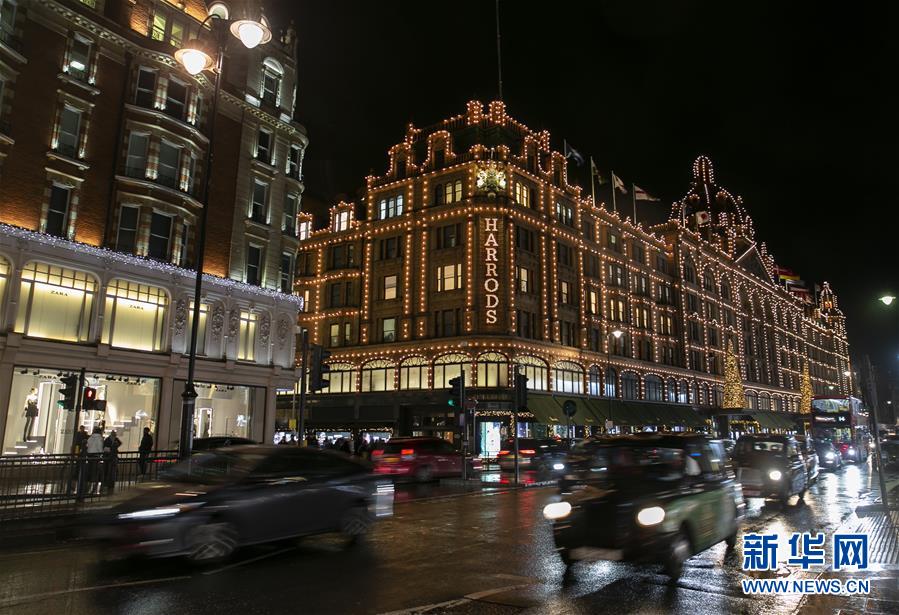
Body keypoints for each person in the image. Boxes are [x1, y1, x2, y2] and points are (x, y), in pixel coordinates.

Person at [85, 427, 105, 495]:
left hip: (89, 456)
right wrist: (101, 455)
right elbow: (100, 448)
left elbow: (87, 446)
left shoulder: (90, 438)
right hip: (96, 456)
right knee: (96, 470)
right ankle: (94, 484)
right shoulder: (99, 438)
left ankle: (89, 482)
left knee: (90, 469)